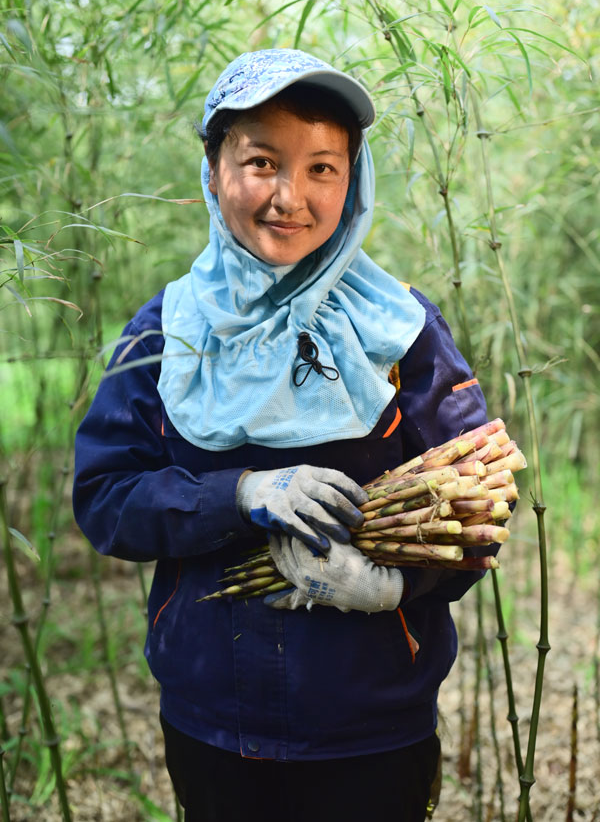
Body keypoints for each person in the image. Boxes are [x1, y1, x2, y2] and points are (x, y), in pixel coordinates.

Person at [73, 49, 492, 822]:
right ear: (213, 168)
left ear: (352, 181)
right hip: (213, 722)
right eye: (261, 162)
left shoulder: (400, 329)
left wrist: (395, 587)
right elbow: (105, 497)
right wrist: (238, 494)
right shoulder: (166, 331)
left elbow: (478, 507)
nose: (289, 197)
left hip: (372, 727)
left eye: (322, 168)